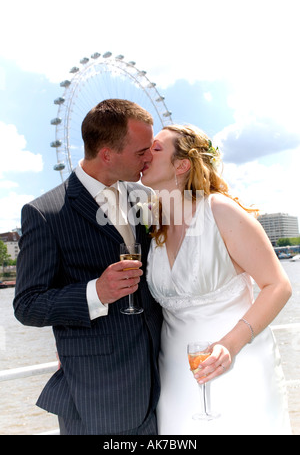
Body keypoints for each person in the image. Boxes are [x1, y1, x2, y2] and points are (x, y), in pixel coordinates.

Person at [13, 99, 162, 435]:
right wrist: (95, 292)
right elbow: (27, 305)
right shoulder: (44, 214)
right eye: (141, 152)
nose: (149, 158)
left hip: (163, 383)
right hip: (99, 397)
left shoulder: (146, 197)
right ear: (107, 154)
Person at [141, 124, 292, 435]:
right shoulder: (155, 224)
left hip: (238, 365)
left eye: (155, 149)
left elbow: (278, 285)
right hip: (176, 377)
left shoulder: (220, 211)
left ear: (181, 165)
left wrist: (230, 345)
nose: (145, 153)